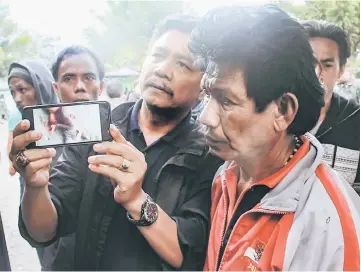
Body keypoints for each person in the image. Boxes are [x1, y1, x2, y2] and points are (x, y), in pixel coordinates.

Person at [10, 14, 222, 271]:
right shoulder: (95, 131)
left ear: (204, 87)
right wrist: (35, 187)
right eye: (157, 55)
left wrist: (136, 200)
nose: (163, 70)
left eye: (184, 65)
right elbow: (43, 232)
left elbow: (191, 254)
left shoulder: (209, 154)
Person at [189, 5, 359, 271]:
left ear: (282, 110)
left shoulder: (328, 222)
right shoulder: (227, 174)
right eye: (207, 95)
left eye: (226, 101)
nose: (205, 117)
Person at [34, 45, 106, 271]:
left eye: (88, 77)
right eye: (69, 78)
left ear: (101, 86)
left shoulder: (118, 135)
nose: (80, 87)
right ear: (56, 87)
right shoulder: (40, 137)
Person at [302, 20, 360, 194]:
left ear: (341, 70)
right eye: (309, 63)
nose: (317, 73)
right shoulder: (274, 116)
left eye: (327, 65)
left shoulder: (355, 119)